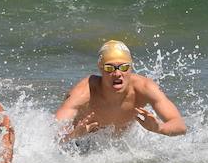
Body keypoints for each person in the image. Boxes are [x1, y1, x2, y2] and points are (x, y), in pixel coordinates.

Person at [55, 40, 186, 141]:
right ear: (100, 69)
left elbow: (180, 126)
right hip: (80, 144)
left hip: (117, 149)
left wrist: (159, 128)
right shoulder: (84, 92)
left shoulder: (144, 88)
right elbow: (52, 137)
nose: (117, 73)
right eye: (109, 68)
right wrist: (73, 135)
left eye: (123, 67)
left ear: (131, 68)